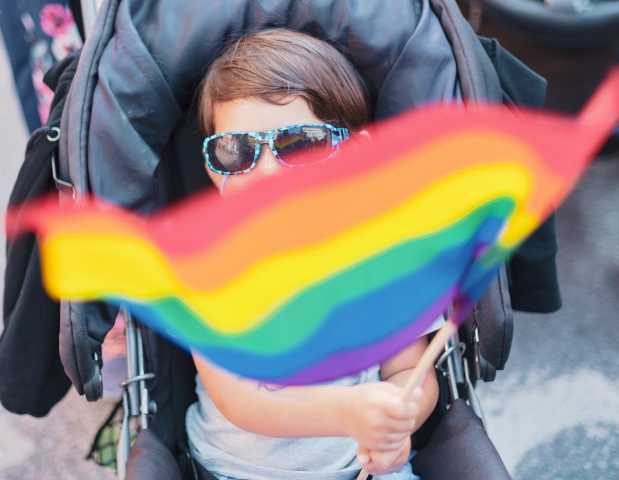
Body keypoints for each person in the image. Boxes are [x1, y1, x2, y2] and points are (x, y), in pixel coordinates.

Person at [186, 29, 441, 480]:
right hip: (236, 472)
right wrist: (344, 411)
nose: (265, 172)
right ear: (213, 170)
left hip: (362, 468)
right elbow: (241, 400)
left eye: (299, 143)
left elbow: (409, 370)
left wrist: (402, 420)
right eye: (236, 150)